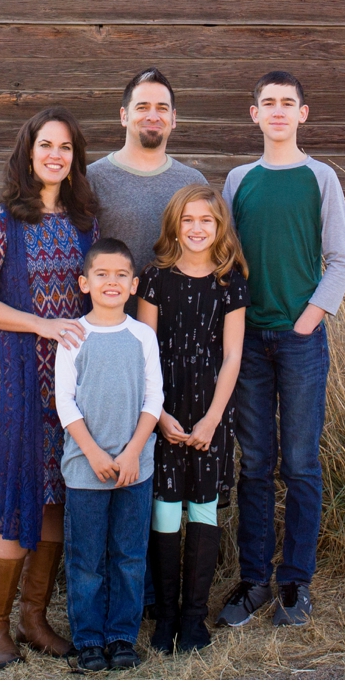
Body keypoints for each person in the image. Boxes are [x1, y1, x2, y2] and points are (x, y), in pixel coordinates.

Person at [0, 107, 100, 666]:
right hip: (18, 381)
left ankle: (34, 618)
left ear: (74, 159)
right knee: (18, 494)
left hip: (71, 384)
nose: (55, 155)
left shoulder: (85, 223)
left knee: (57, 501)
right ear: (29, 152)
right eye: (46, 145)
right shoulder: (2, 221)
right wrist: (41, 324)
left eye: (65, 148)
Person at [217, 71, 345, 630]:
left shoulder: (320, 179)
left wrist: (309, 320)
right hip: (246, 341)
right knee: (254, 464)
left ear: (303, 113)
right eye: (267, 103)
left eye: (287, 103)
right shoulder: (238, 179)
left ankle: (295, 581)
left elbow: (340, 259)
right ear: (254, 114)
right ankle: (253, 580)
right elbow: (223, 254)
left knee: (299, 463)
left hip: (300, 342)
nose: (277, 111)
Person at [135, 183, 247, 655]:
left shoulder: (231, 281)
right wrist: (157, 414)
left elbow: (234, 356)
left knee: (201, 507)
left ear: (219, 226)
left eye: (207, 220)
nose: (197, 228)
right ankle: (165, 616)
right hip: (163, 408)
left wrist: (212, 420)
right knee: (164, 509)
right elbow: (143, 351)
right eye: (188, 220)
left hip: (209, 412)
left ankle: (194, 619)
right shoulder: (155, 278)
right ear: (174, 227)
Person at [55, 238, 164, 674]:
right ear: (84, 282)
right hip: (86, 468)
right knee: (85, 560)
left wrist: (134, 451)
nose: (112, 282)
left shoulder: (142, 335)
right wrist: (95, 453)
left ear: (134, 284)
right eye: (102, 274)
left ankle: (122, 636)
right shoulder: (74, 336)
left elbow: (153, 399)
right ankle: (88, 640)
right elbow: (65, 403)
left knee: (129, 555)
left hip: (134, 469)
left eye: (121, 275)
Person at [88, 67, 206, 264]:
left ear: (173, 118)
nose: (153, 117)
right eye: (142, 107)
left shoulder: (193, 183)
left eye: (162, 108)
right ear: (124, 116)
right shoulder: (93, 178)